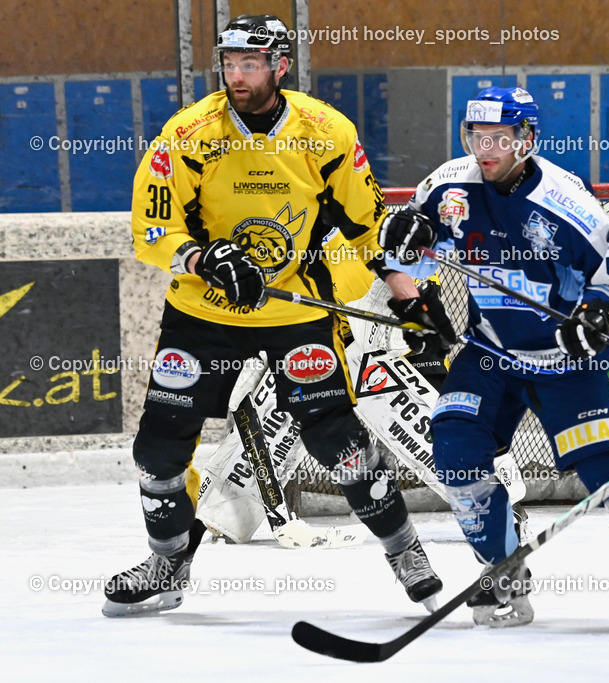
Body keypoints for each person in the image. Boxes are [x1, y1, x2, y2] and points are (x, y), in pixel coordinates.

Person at [103, 14, 454, 617]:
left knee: (339, 444)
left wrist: (409, 296)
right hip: (201, 314)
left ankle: (405, 552)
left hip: (295, 312)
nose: (236, 75)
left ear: (280, 66)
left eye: (250, 63)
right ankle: (167, 562)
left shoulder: (326, 132)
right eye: (229, 63)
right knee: (157, 451)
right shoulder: (186, 134)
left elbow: (367, 226)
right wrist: (202, 257)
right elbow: (151, 229)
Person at [378, 86, 609, 630]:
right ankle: (502, 571)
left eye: (498, 138)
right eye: (474, 135)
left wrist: (600, 317)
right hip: (491, 351)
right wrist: (400, 239)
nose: (483, 148)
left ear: (527, 140)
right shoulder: (448, 186)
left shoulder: (568, 204)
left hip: (568, 361)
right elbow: (402, 257)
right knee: (456, 452)